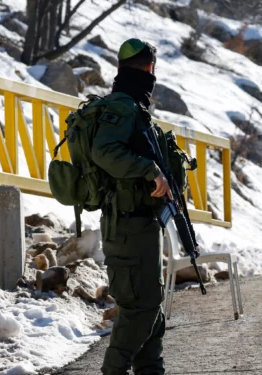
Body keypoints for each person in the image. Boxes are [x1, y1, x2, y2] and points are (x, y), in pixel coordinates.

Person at [91, 38, 172, 375]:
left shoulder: (131, 107)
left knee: (149, 308)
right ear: (150, 69)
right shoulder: (123, 108)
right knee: (142, 308)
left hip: (138, 223)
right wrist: (150, 170)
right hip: (128, 226)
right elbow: (103, 151)